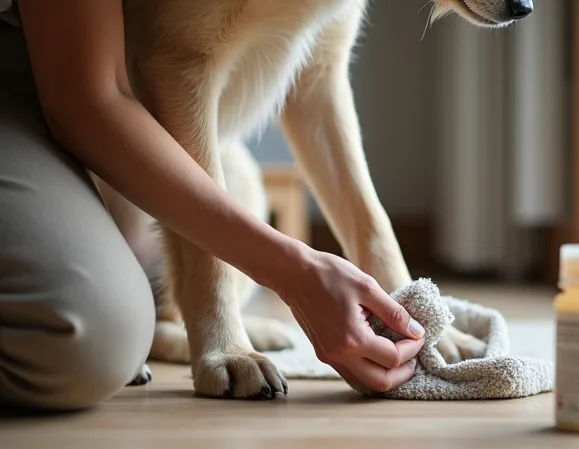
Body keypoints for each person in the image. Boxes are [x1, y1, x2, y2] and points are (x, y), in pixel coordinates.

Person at [0, 0, 425, 411]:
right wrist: (270, 286)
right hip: (31, 86)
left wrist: (398, 293)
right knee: (85, 342)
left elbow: (315, 84)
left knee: (241, 186)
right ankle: (186, 316)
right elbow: (122, 84)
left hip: (112, 123)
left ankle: (163, 323)